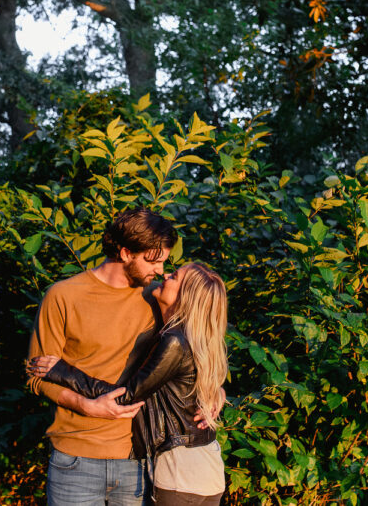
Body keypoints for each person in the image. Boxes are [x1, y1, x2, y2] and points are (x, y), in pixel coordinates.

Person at [29, 262, 229, 506]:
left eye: (174, 276)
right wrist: (214, 391)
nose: (164, 273)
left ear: (184, 296)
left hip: (180, 473)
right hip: (199, 468)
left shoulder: (174, 341)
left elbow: (126, 397)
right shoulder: (191, 334)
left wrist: (61, 371)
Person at [27, 207, 178, 506]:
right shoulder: (63, 296)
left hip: (137, 459)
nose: (161, 270)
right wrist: (87, 406)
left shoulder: (158, 298)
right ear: (124, 253)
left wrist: (214, 391)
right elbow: (36, 376)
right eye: (154, 260)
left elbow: (191, 348)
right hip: (75, 459)